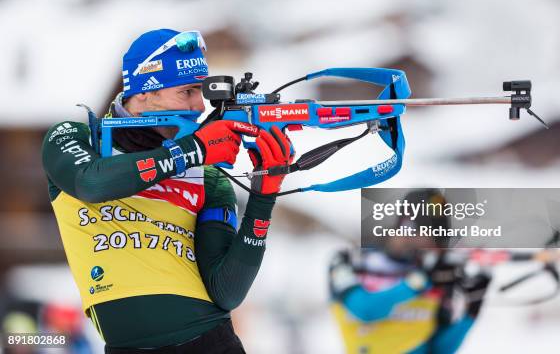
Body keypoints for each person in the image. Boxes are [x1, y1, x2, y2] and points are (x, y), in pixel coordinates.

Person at [41, 29, 293, 353]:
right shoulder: (75, 138)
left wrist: (263, 196)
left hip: (211, 343)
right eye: (187, 91)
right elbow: (92, 183)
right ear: (145, 93)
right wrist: (193, 150)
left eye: (200, 93)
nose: (199, 106)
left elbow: (226, 291)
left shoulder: (208, 177)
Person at [329, 189, 491, 354]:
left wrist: (471, 311)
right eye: (430, 237)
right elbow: (365, 310)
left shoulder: (433, 273)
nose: (435, 247)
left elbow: (438, 350)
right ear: (406, 228)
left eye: (439, 240)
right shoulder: (351, 261)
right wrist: (420, 281)